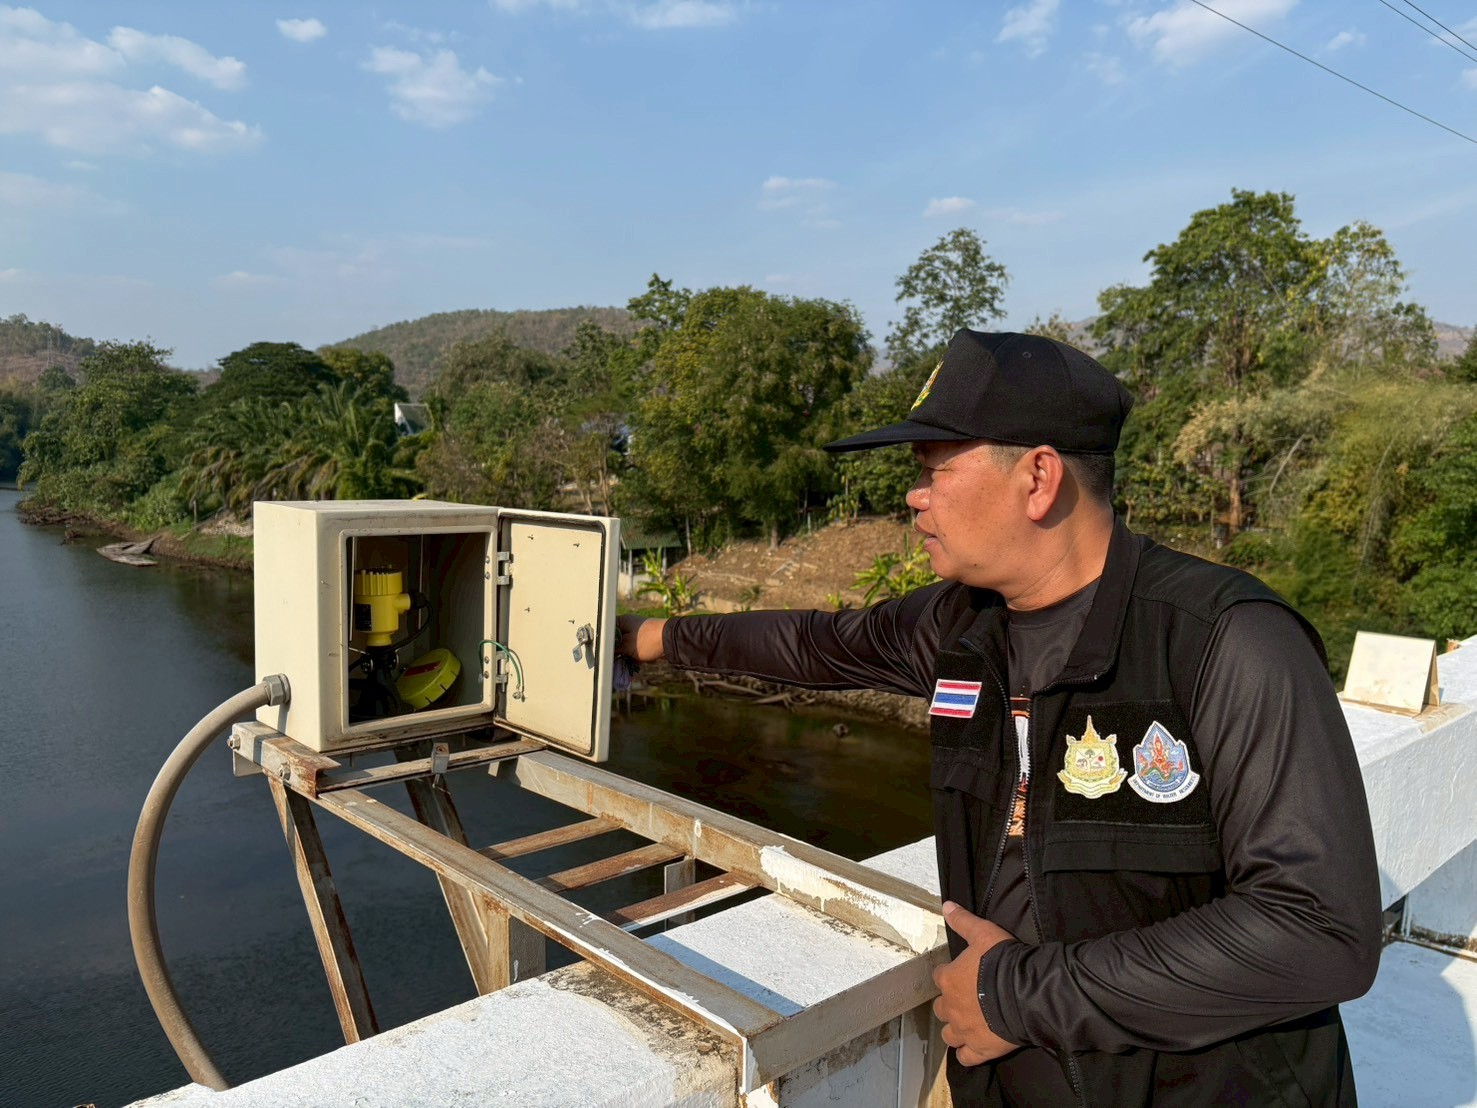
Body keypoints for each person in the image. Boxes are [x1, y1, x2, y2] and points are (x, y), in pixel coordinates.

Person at [617, 329, 1383, 1106]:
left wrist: (1017, 996)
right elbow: (814, 644)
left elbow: (1318, 930)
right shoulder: (961, 627)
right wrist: (645, 640)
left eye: (933, 469)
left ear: (1038, 478)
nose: (914, 496)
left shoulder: (1222, 639)